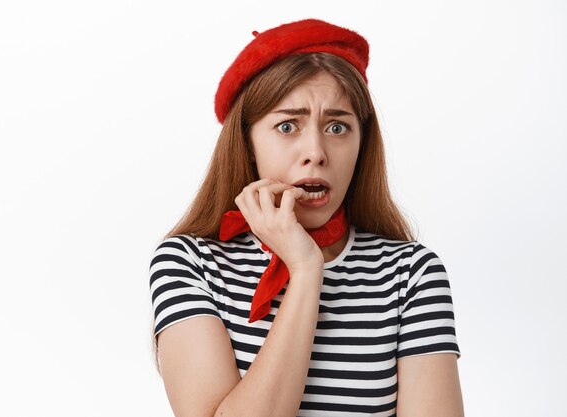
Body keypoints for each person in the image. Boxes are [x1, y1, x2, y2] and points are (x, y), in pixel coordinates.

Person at [148, 18, 464, 417]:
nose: (315, 151)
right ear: (247, 144)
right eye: (287, 126)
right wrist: (305, 269)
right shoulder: (189, 262)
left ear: (362, 144)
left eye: (337, 126)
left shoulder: (412, 274)